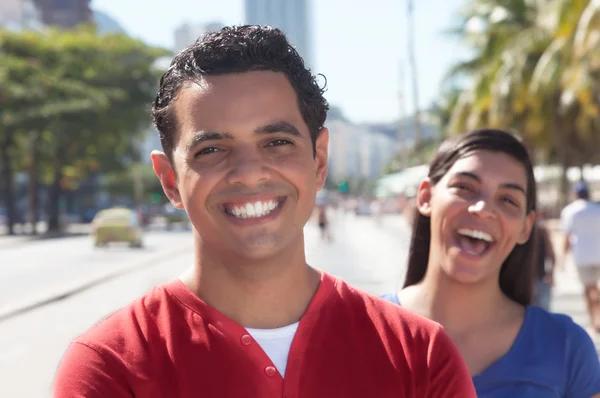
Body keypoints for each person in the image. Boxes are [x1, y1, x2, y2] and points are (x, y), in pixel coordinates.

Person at [52, 26, 476, 397]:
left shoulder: (419, 354)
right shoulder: (108, 367)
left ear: (319, 161)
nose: (249, 173)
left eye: (276, 142)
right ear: (169, 181)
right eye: (212, 149)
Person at [382, 129, 600, 397]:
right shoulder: (362, 333)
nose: (483, 209)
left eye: (508, 200)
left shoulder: (568, 348)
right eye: (465, 188)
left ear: (525, 227)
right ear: (426, 197)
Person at [561, 181, 600, 331]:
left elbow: (567, 237)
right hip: (598, 254)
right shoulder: (597, 209)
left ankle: (593, 321)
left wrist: (562, 259)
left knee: (587, 289)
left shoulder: (570, 211)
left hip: (581, 256)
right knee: (595, 288)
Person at [532, 210, 555, 311]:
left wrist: (550, 274)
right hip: (535, 279)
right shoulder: (541, 229)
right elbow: (551, 254)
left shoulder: (541, 230)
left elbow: (550, 254)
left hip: (538, 278)